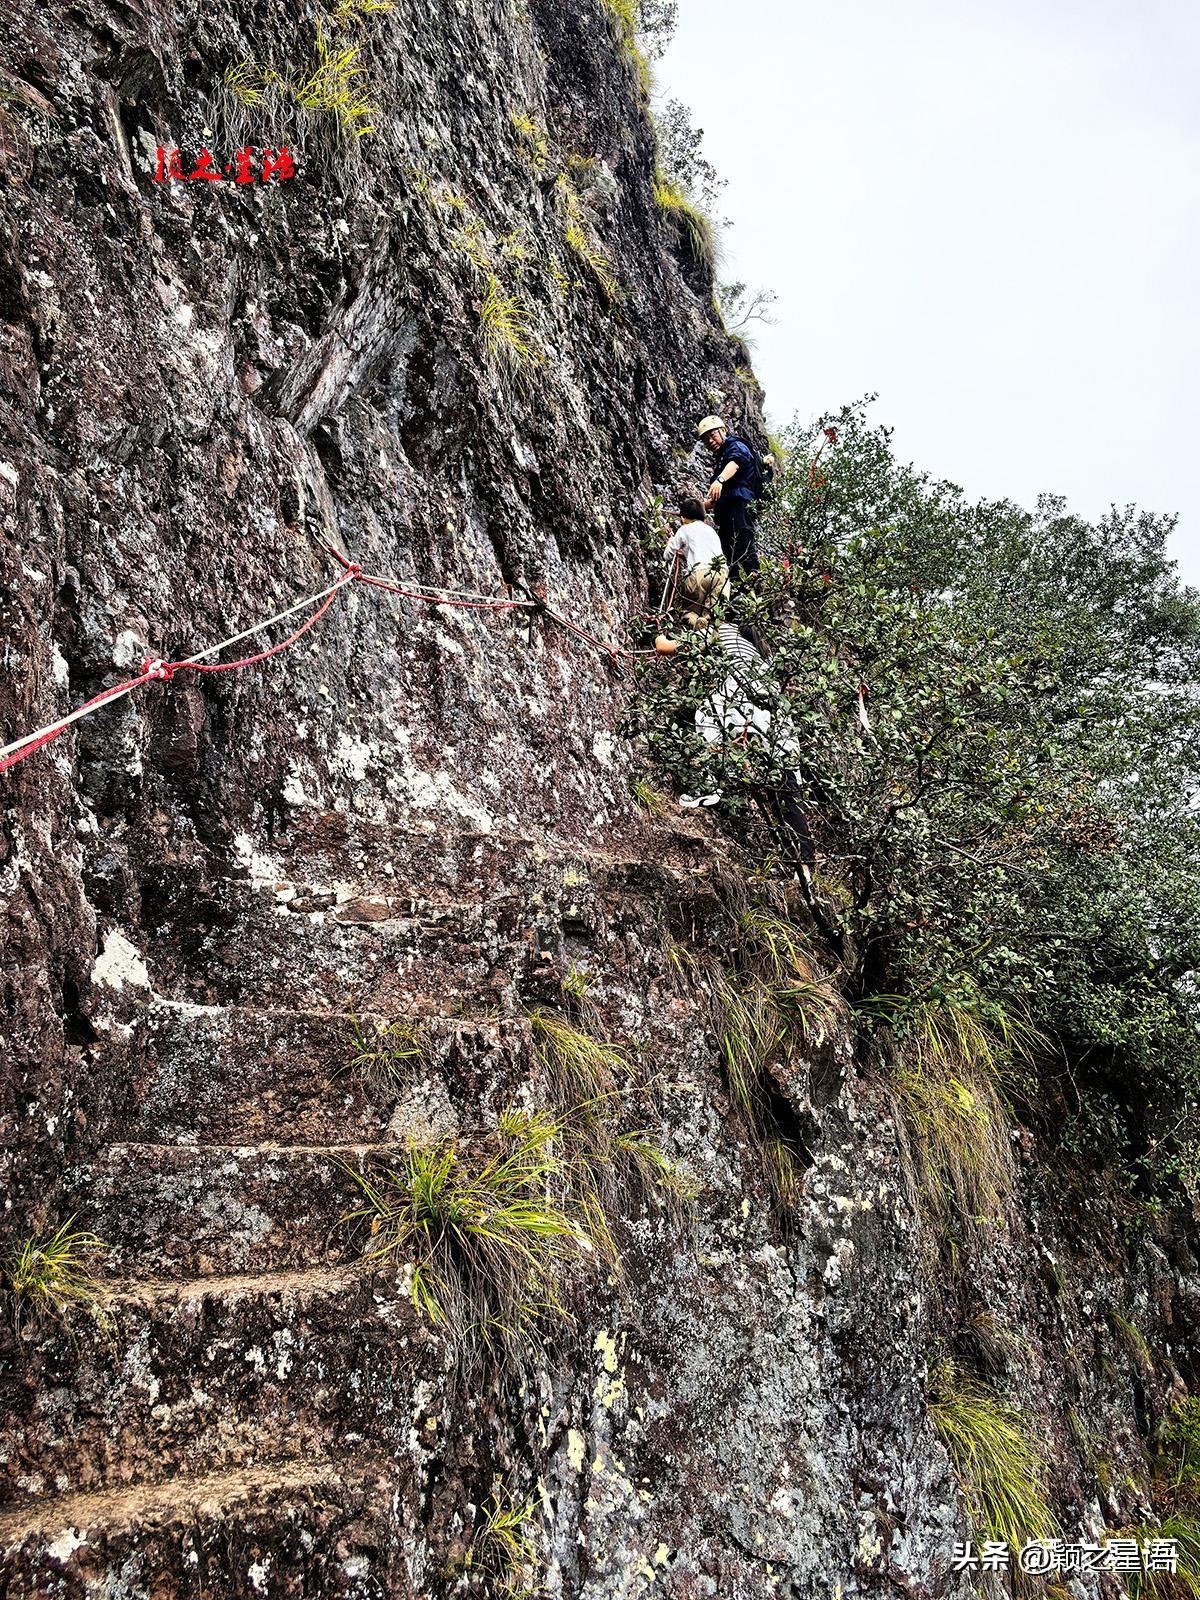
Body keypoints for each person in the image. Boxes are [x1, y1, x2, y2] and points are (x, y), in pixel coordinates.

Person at [695, 415, 762, 580]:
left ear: (723, 430)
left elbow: (735, 462)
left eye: (712, 435)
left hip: (740, 506)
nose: (710, 441)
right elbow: (716, 499)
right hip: (726, 511)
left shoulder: (736, 446)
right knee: (727, 554)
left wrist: (720, 480)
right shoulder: (720, 459)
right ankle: (735, 593)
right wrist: (694, 509)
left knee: (743, 546)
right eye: (705, 439)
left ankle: (753, 589)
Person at [662, 497, 729, 630]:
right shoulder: (712, 531)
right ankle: (709, 628)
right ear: (704, 517)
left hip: (698, 574)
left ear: (683, 518)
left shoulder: (684, 529)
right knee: (714, 613)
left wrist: (669, 542)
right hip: (721, 574)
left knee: (690, 611)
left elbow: (667, 555)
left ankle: (695, 623)